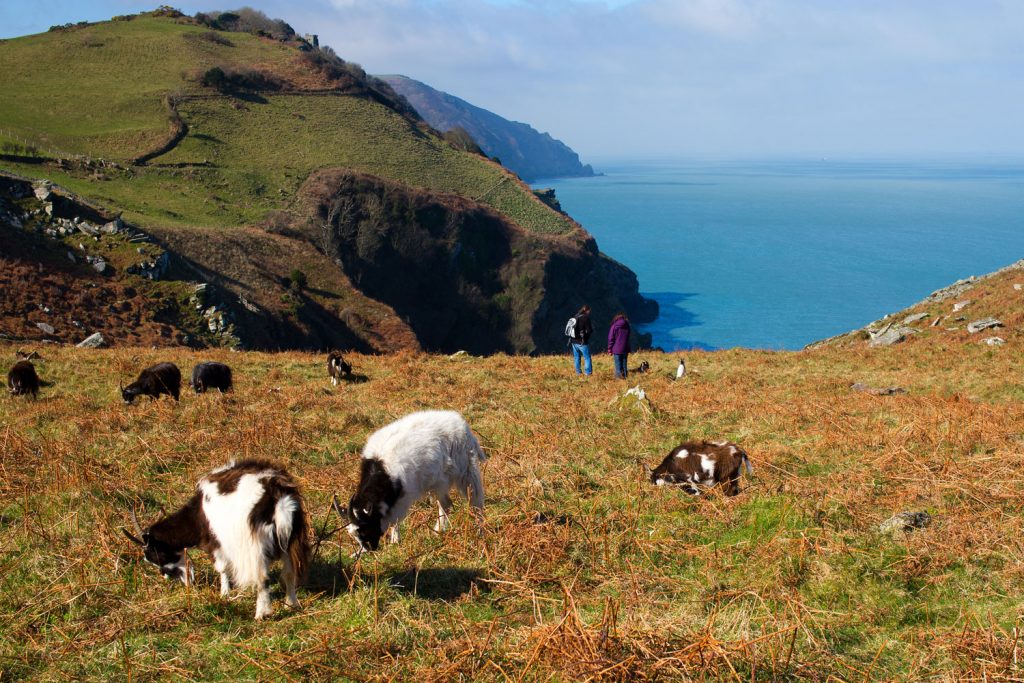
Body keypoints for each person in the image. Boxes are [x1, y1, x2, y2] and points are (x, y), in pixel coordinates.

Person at [569, 304, 593, 376]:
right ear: (586, 310)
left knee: (576, 357)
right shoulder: (586, 318)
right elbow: (589, 330)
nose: (589, 312)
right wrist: (586, 338)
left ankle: (578, 373)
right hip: (582, 342)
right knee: (587, 357)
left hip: (573, 341)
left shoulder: (575, 316)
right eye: (589, 311)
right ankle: (588, 373)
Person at [607, 312, 631, 379]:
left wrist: (609, 348)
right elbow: (628, 336)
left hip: (616, 349)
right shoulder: (627, 325)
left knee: (618, 367)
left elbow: (610, 338)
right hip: (625, 348)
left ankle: (619, 382)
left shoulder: (614, 326)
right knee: (624, 366)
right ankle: (626, 379)